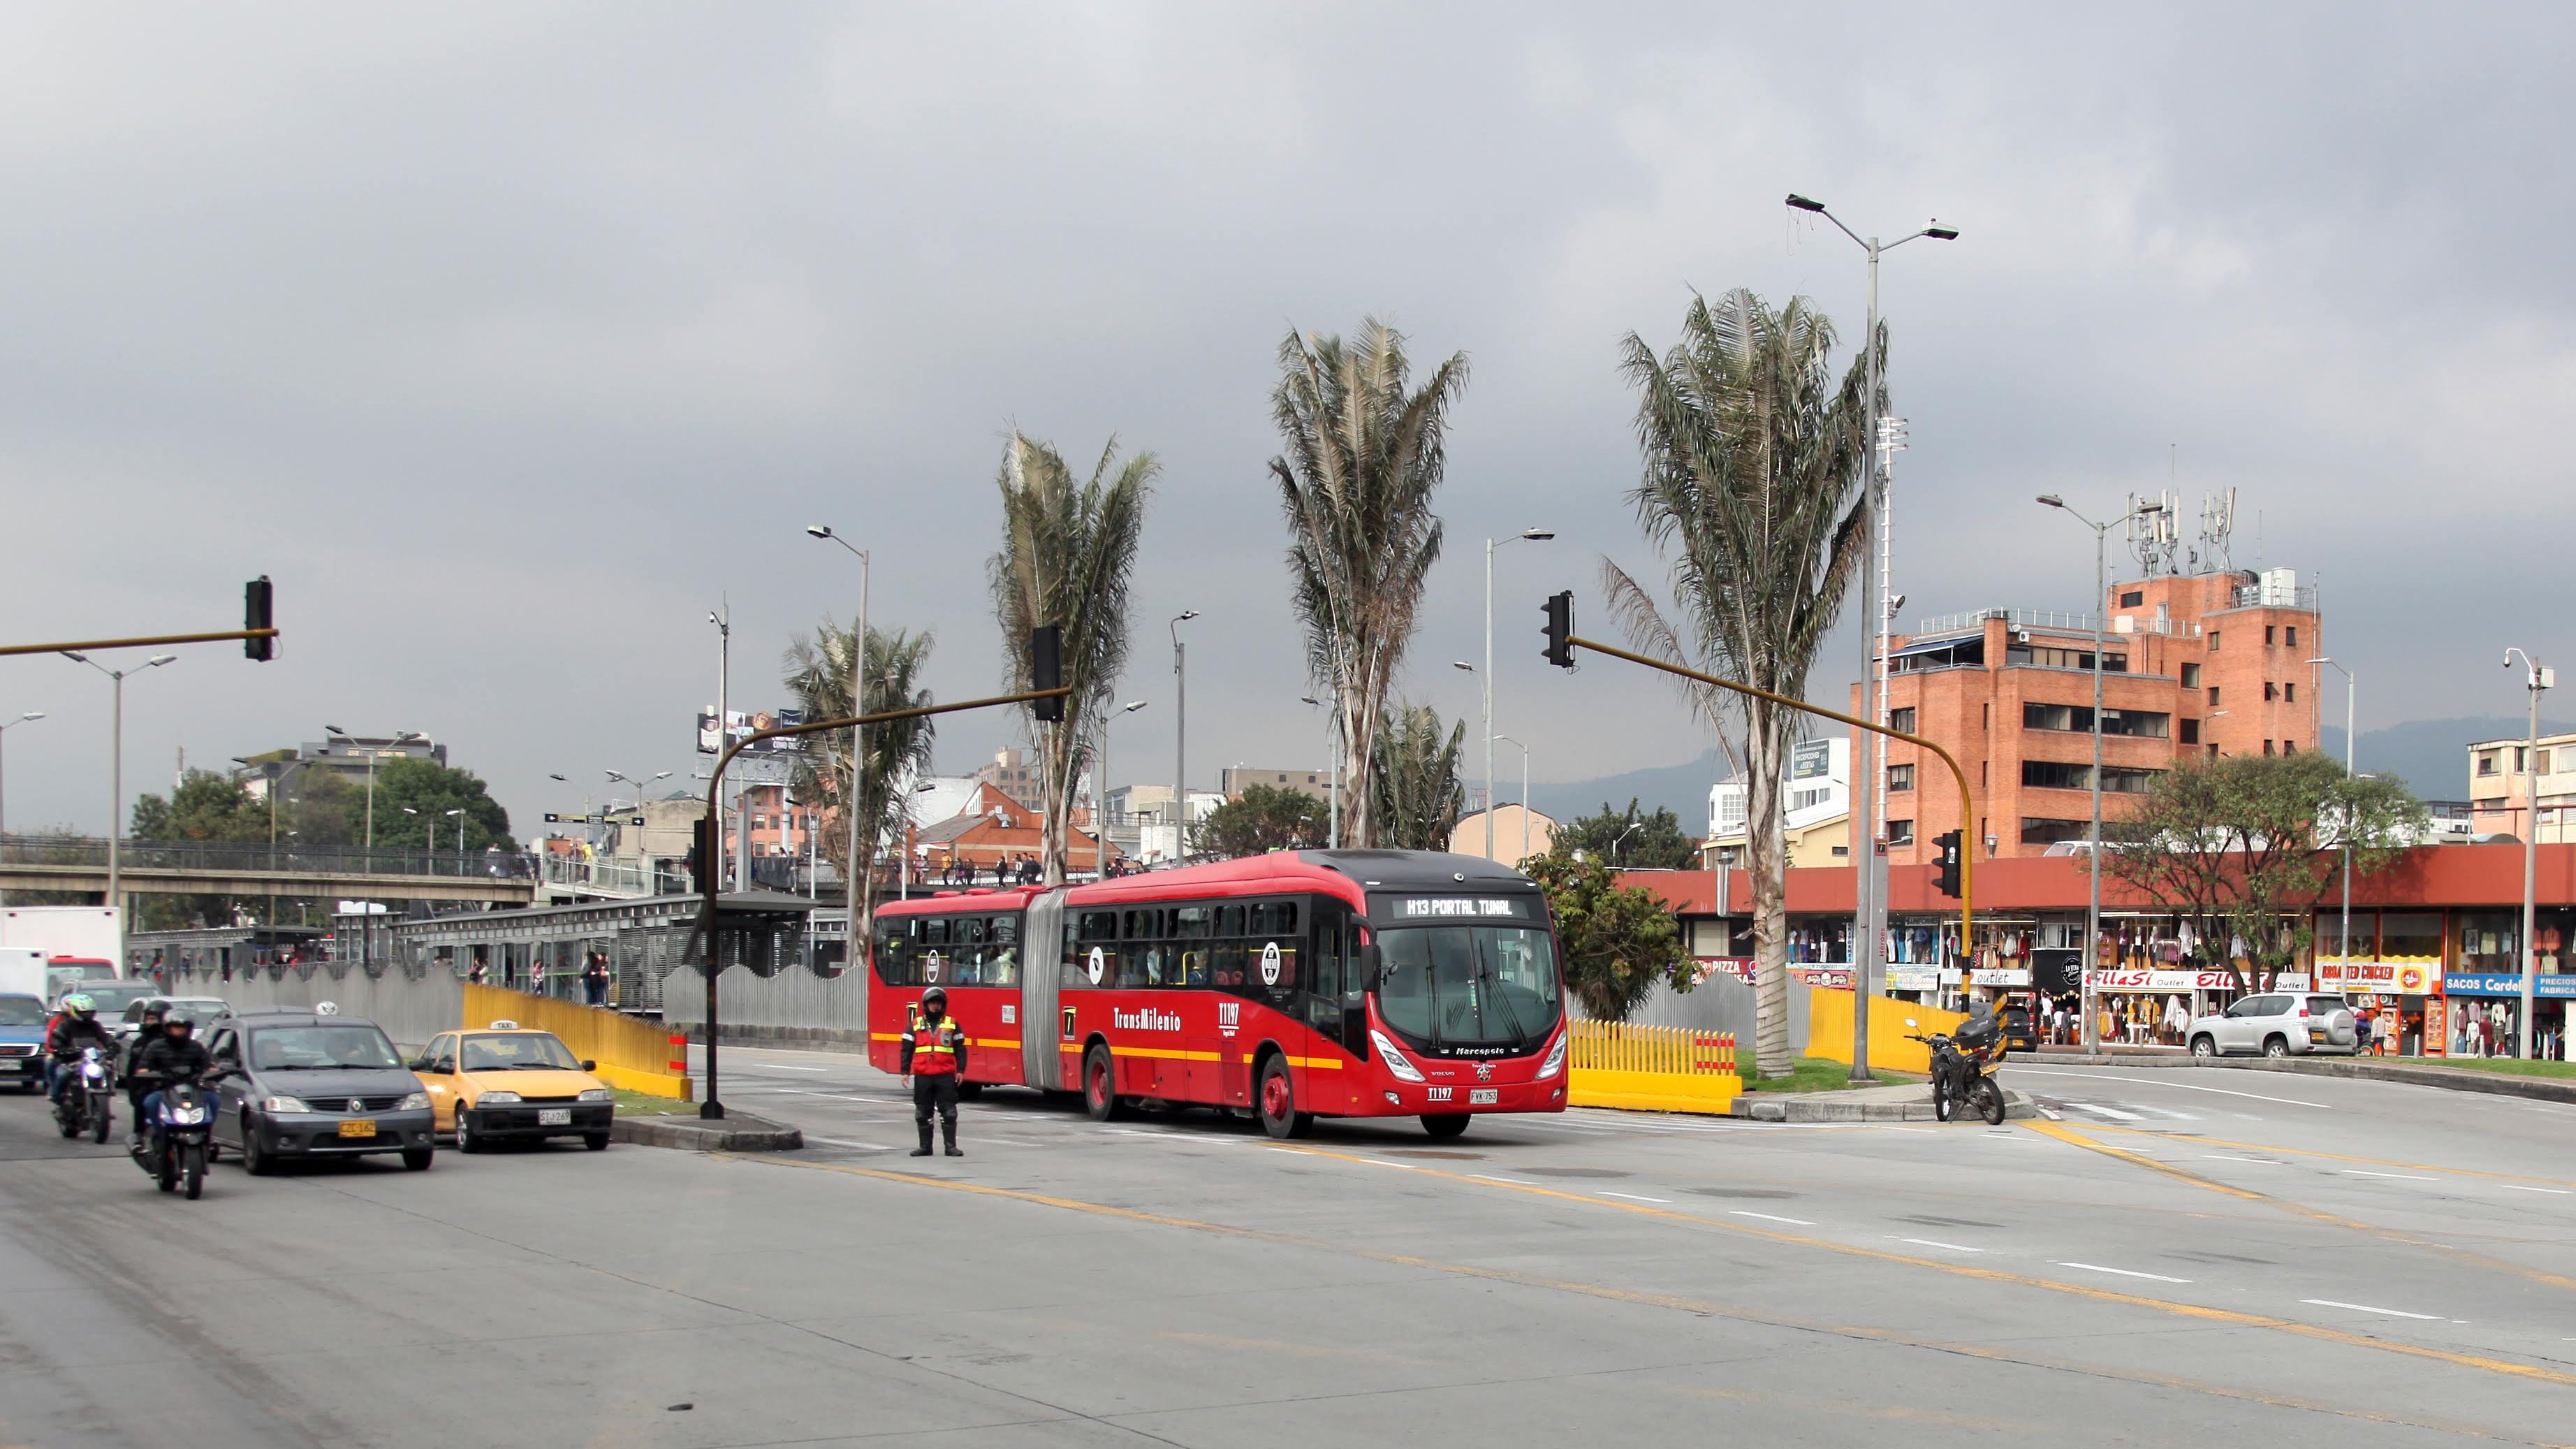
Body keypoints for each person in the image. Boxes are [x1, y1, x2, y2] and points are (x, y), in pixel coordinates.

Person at [900, 986, 967, 1158]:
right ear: (926, 1005)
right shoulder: (916, 1024)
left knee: (949, 1112)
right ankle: (925, 1147)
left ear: (943, 1005)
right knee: (923, 1113)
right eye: (932, 1003)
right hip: (923, 1075)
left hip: (945, 1075)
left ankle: (950, 1147)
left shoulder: (952, 1023)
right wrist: (905, 1071)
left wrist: (961, 1070)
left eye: (938, 1003)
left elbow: (960, 1049)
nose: (935, 1007)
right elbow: (906, 1049)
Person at [130, 1014, 212, 1151]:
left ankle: (206, 1136)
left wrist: (213, 1072)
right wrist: (152, 1075)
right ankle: (160, 1133)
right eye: (176, 1027)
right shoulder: (155, 1046)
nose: (179, 1031)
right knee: (150, 1102)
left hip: (192, 1089)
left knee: (213, 1100)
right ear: (168, 1029)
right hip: (164, 1089)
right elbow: (142, 1068)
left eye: (183, 1028)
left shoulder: (196, 1047)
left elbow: (208, 1066)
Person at [45, 994, 116, 1108]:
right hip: (70, 1060)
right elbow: (56, 1039)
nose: (87, 1015)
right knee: (62, 1075)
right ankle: (58, 1097)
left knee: (107, 1070)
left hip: (91, 1060)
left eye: (89, 1012)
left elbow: (105, 1037)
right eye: (84, 1012)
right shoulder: (65, 1025)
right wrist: (63, 1049)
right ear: (75, 1011)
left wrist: (112, 1045)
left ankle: (106, 1091)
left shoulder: (95, 1025)